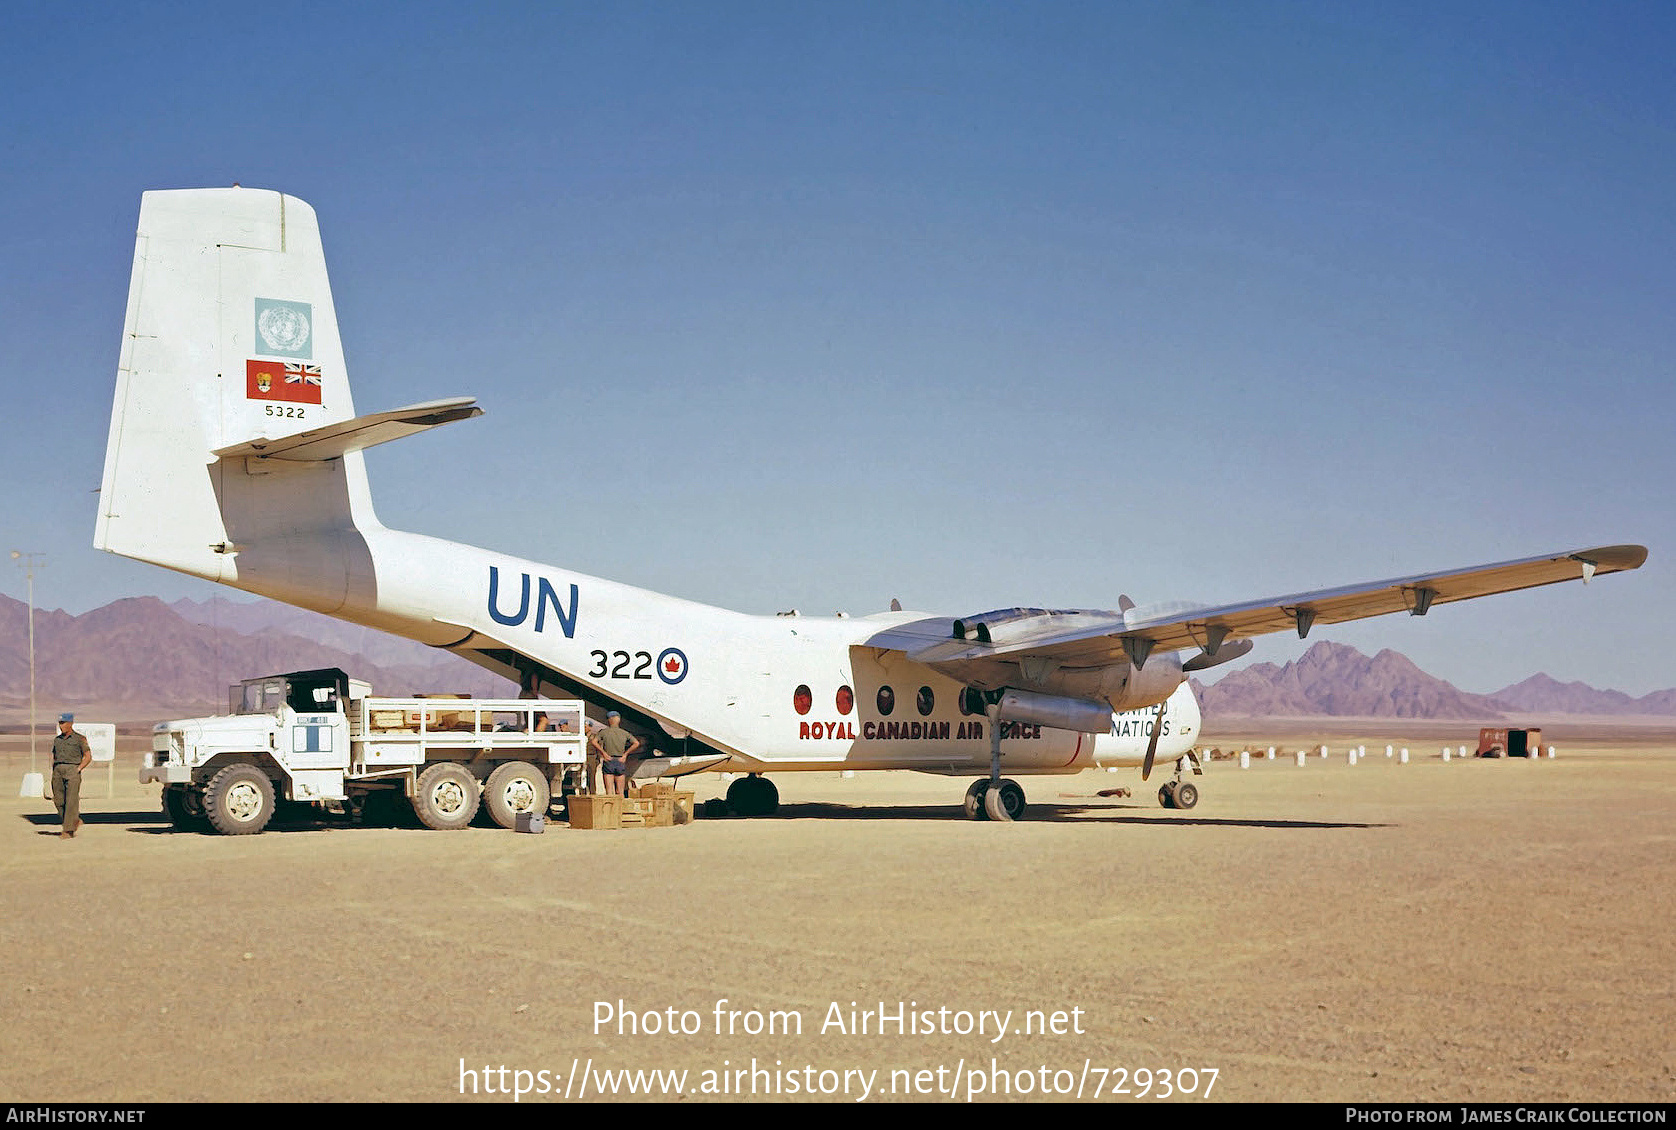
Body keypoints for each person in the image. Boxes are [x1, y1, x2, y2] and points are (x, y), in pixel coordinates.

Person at [51, 713, 92, 839]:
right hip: (58, 771)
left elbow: (88, 756)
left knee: (71, 801)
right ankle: (74, 821)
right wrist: (53, 771)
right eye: (60, 723)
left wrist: (78, 769)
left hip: (72, 770)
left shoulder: (79, 739)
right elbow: (54, 756)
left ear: (70, 724)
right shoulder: (57, 740)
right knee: (58, 800)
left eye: (63, 723)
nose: (61, 726)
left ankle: (68, 830)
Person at [589, 711, 641, 797]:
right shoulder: (624, 733)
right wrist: (625, 754)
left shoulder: (604, 732)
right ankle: (620, 809)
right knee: (620, 792)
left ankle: (611, 809)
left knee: (609, 792)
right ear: (619, 720)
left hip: (608, 760)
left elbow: (594, 742)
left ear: (609, 720)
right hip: (620, 760)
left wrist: (603, 753)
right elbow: (636, 743)